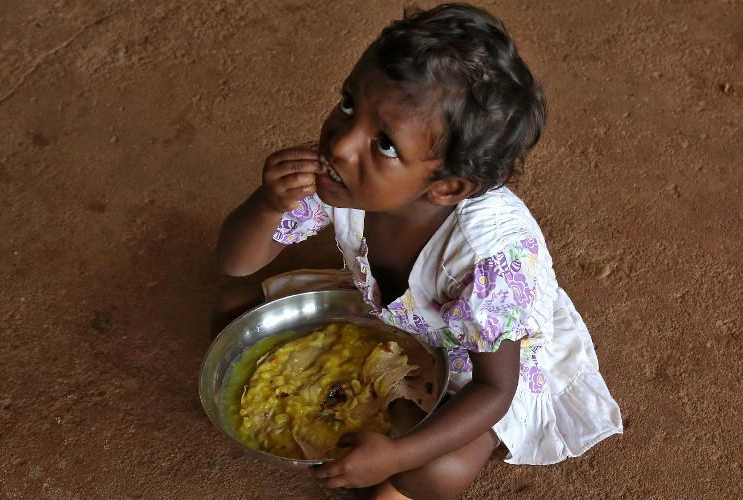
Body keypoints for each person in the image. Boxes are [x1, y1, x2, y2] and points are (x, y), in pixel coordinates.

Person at [215, 4, 622, 498]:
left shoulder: (488, 260)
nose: (342, 143)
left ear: (447, 188)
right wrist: (267, 204)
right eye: (348, 103)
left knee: (435, 472)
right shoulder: (345, 175)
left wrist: (399, 457)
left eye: (384, 144)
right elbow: (235, 263)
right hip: (395, 319)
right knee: (232, 309)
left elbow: (496, 390)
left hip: (478, 364)